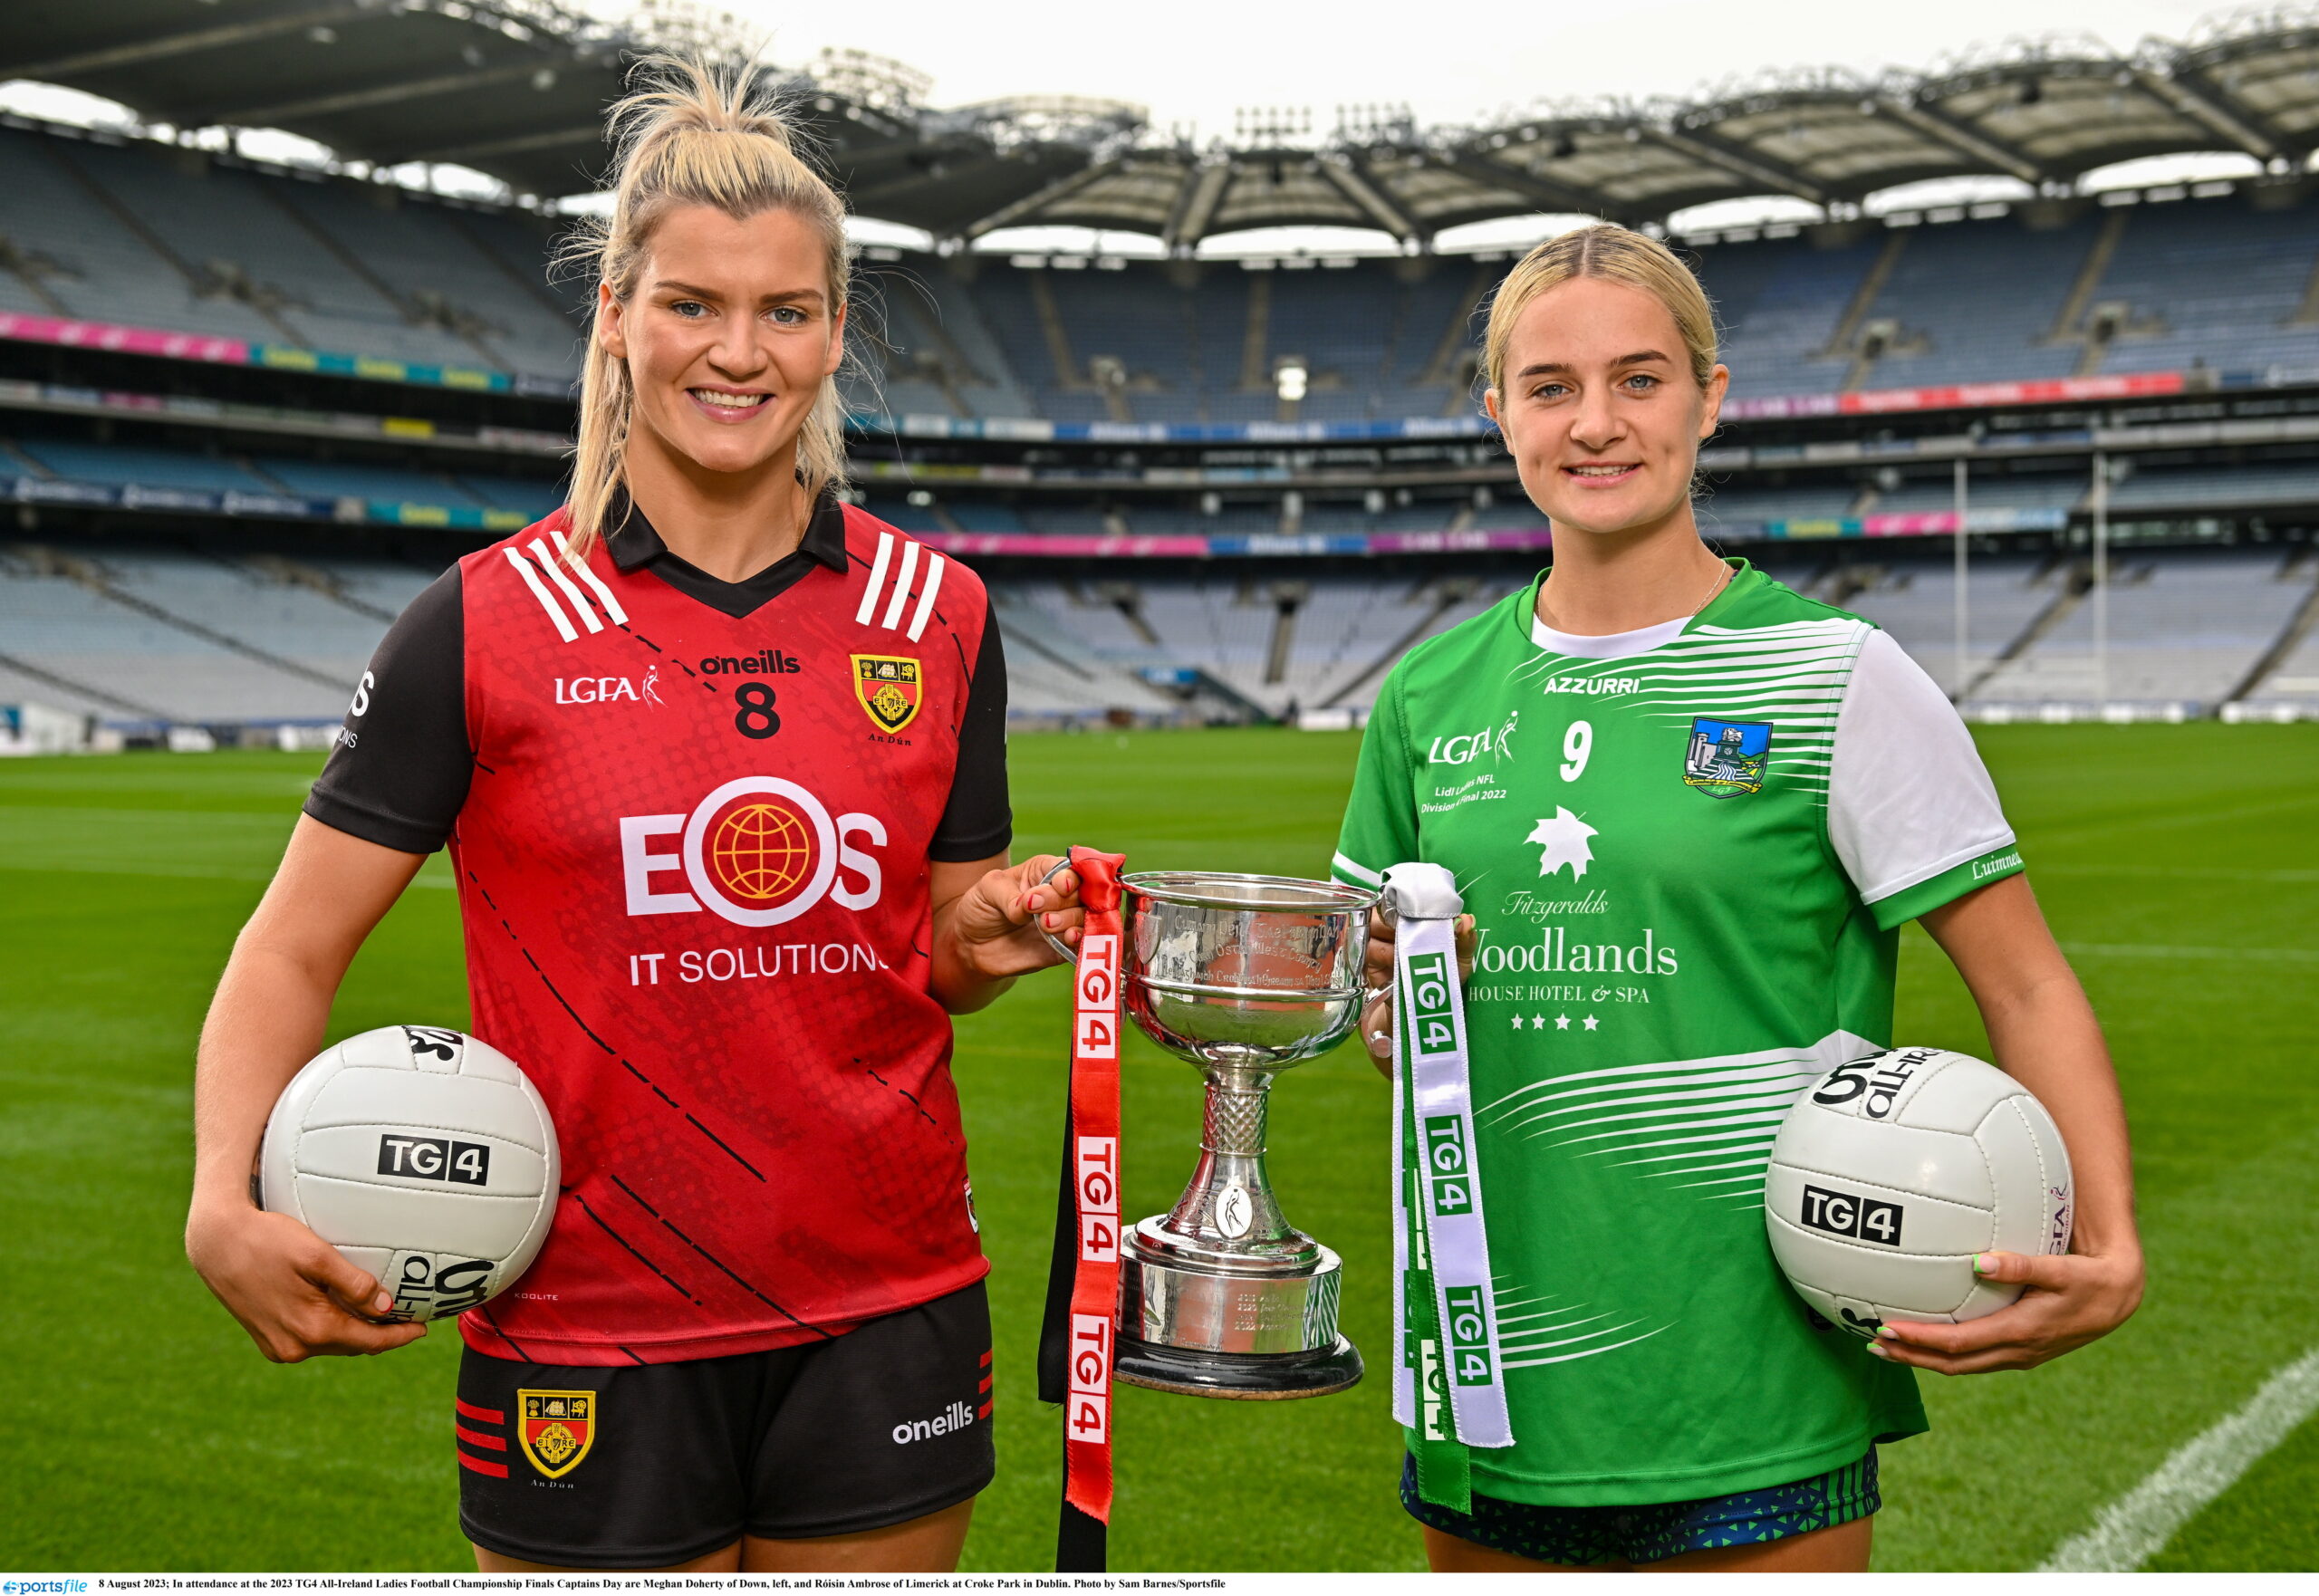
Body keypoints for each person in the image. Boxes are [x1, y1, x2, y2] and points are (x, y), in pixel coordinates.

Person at [183, 57, 1087, 1574]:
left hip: (887, 1303)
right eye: (690, 304)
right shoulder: (480, 624)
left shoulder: (940, 613)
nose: (737, 352)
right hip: (586, 1326)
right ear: (615, 315)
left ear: (833, 335)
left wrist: (987, 940)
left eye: (784, 311)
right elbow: (290, 949)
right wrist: (222, 1197)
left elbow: (930, 956)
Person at [1333, 224, 2141, 1572]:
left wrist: (2107, 1240)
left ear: (1711, 397)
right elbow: (1380, 1023)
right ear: (1499, 416)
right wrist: (1402, 1005)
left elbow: (2024, 978)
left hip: (1752, 1378)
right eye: (1550, 387)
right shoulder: (1426, 696)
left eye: (1640, 379)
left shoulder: (1837, 674)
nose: (1596, 422)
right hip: (1493, 1367)